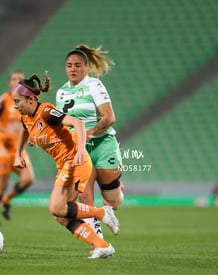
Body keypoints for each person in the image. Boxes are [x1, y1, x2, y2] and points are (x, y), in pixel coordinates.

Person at [12, 72, 119, 259]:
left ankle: (102, 212)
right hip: (64, 166)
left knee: (55, 207)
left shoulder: (45, 111)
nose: (15, 105)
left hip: (75, 162)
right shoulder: (26, 117)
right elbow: (25, 129)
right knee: (61, 215)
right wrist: (18, 152)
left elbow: (76, 122)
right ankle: (102, 245)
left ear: (30, 99)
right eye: (13, 102)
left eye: (17, 101)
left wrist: (79, 150)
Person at [55, 44, 125, 238]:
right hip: (80, 150)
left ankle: (117, 186)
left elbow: (110, 118)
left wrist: (90, 132)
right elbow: (62, 124)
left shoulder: (93, 85)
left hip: (103, 143)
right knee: (86, 196)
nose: (73, 69)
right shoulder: (60, 93)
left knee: (113, 202)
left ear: (86, 67)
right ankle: (99, 242)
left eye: (77, 65)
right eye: (69, 65)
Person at [0, 70, 35, 227]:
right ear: (9, 83)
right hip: (0, 145)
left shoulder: (28, 100)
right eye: (14, 79)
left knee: (28, 179)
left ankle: (6, 200)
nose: (17, 81)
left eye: (20, 79)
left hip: (17, 146)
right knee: (3, 181)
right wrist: (7, 130)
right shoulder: (3, 100)